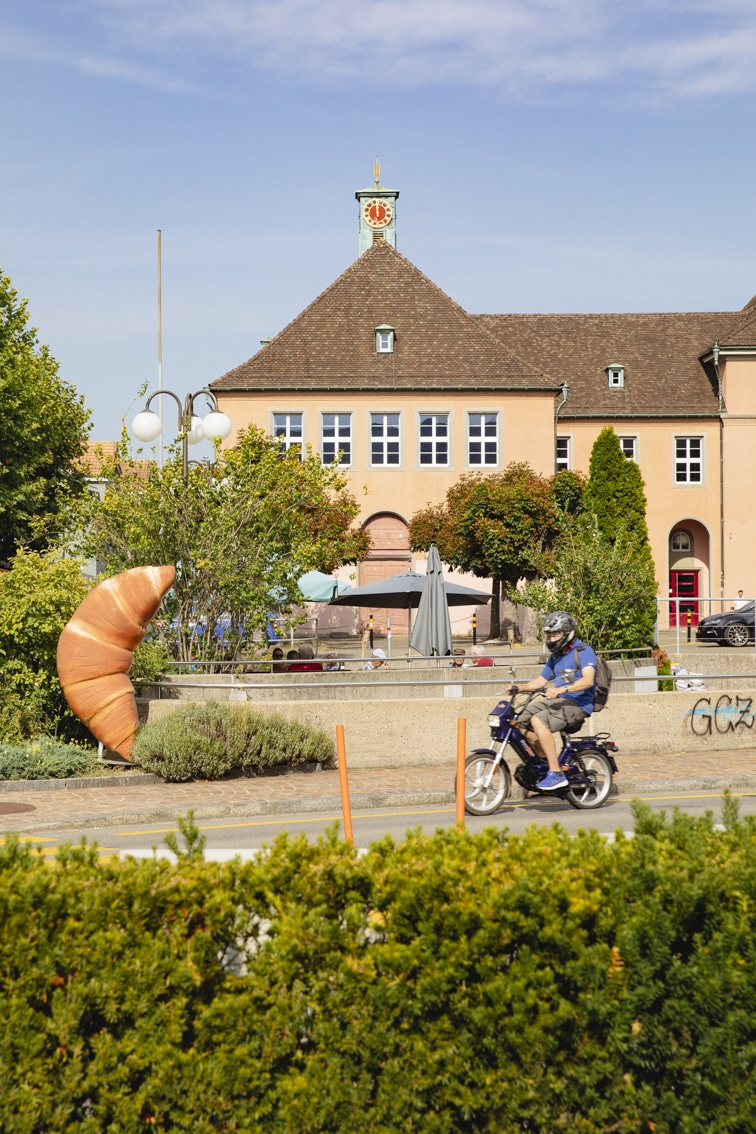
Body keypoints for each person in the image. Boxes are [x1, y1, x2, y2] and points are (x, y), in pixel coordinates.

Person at [503, 611, 596, 792]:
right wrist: (519, 688)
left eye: (556, 634)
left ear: (568, 632)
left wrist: (562, 689)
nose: (552, 639)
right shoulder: (556, 656)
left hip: (578, 703)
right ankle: (544, 762)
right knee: (519, 720)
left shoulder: (583, 651)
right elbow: (541, 681)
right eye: (549, 635)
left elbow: (588, 680)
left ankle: (556, 773)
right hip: (559, 701)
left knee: (538, 720)